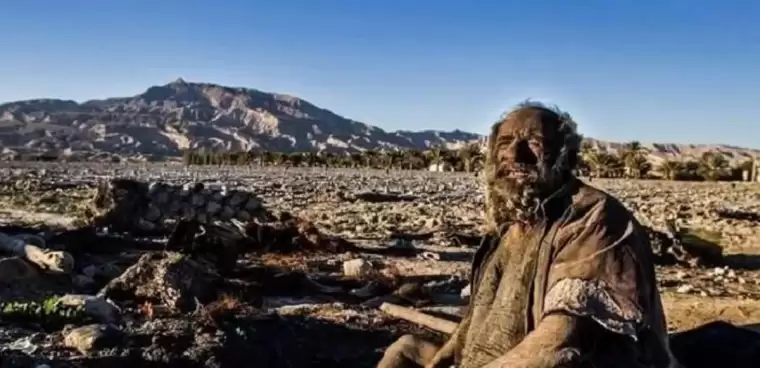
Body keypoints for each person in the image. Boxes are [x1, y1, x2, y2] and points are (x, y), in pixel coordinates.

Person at [376, 101, 679, 368]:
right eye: (504, 142)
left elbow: (557, 344)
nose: (514, 153)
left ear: (567, 157)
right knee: (407, 349)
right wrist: (450, 352)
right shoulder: (513, 225)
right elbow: (481, 316)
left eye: (534, 141)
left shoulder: (594, 218)